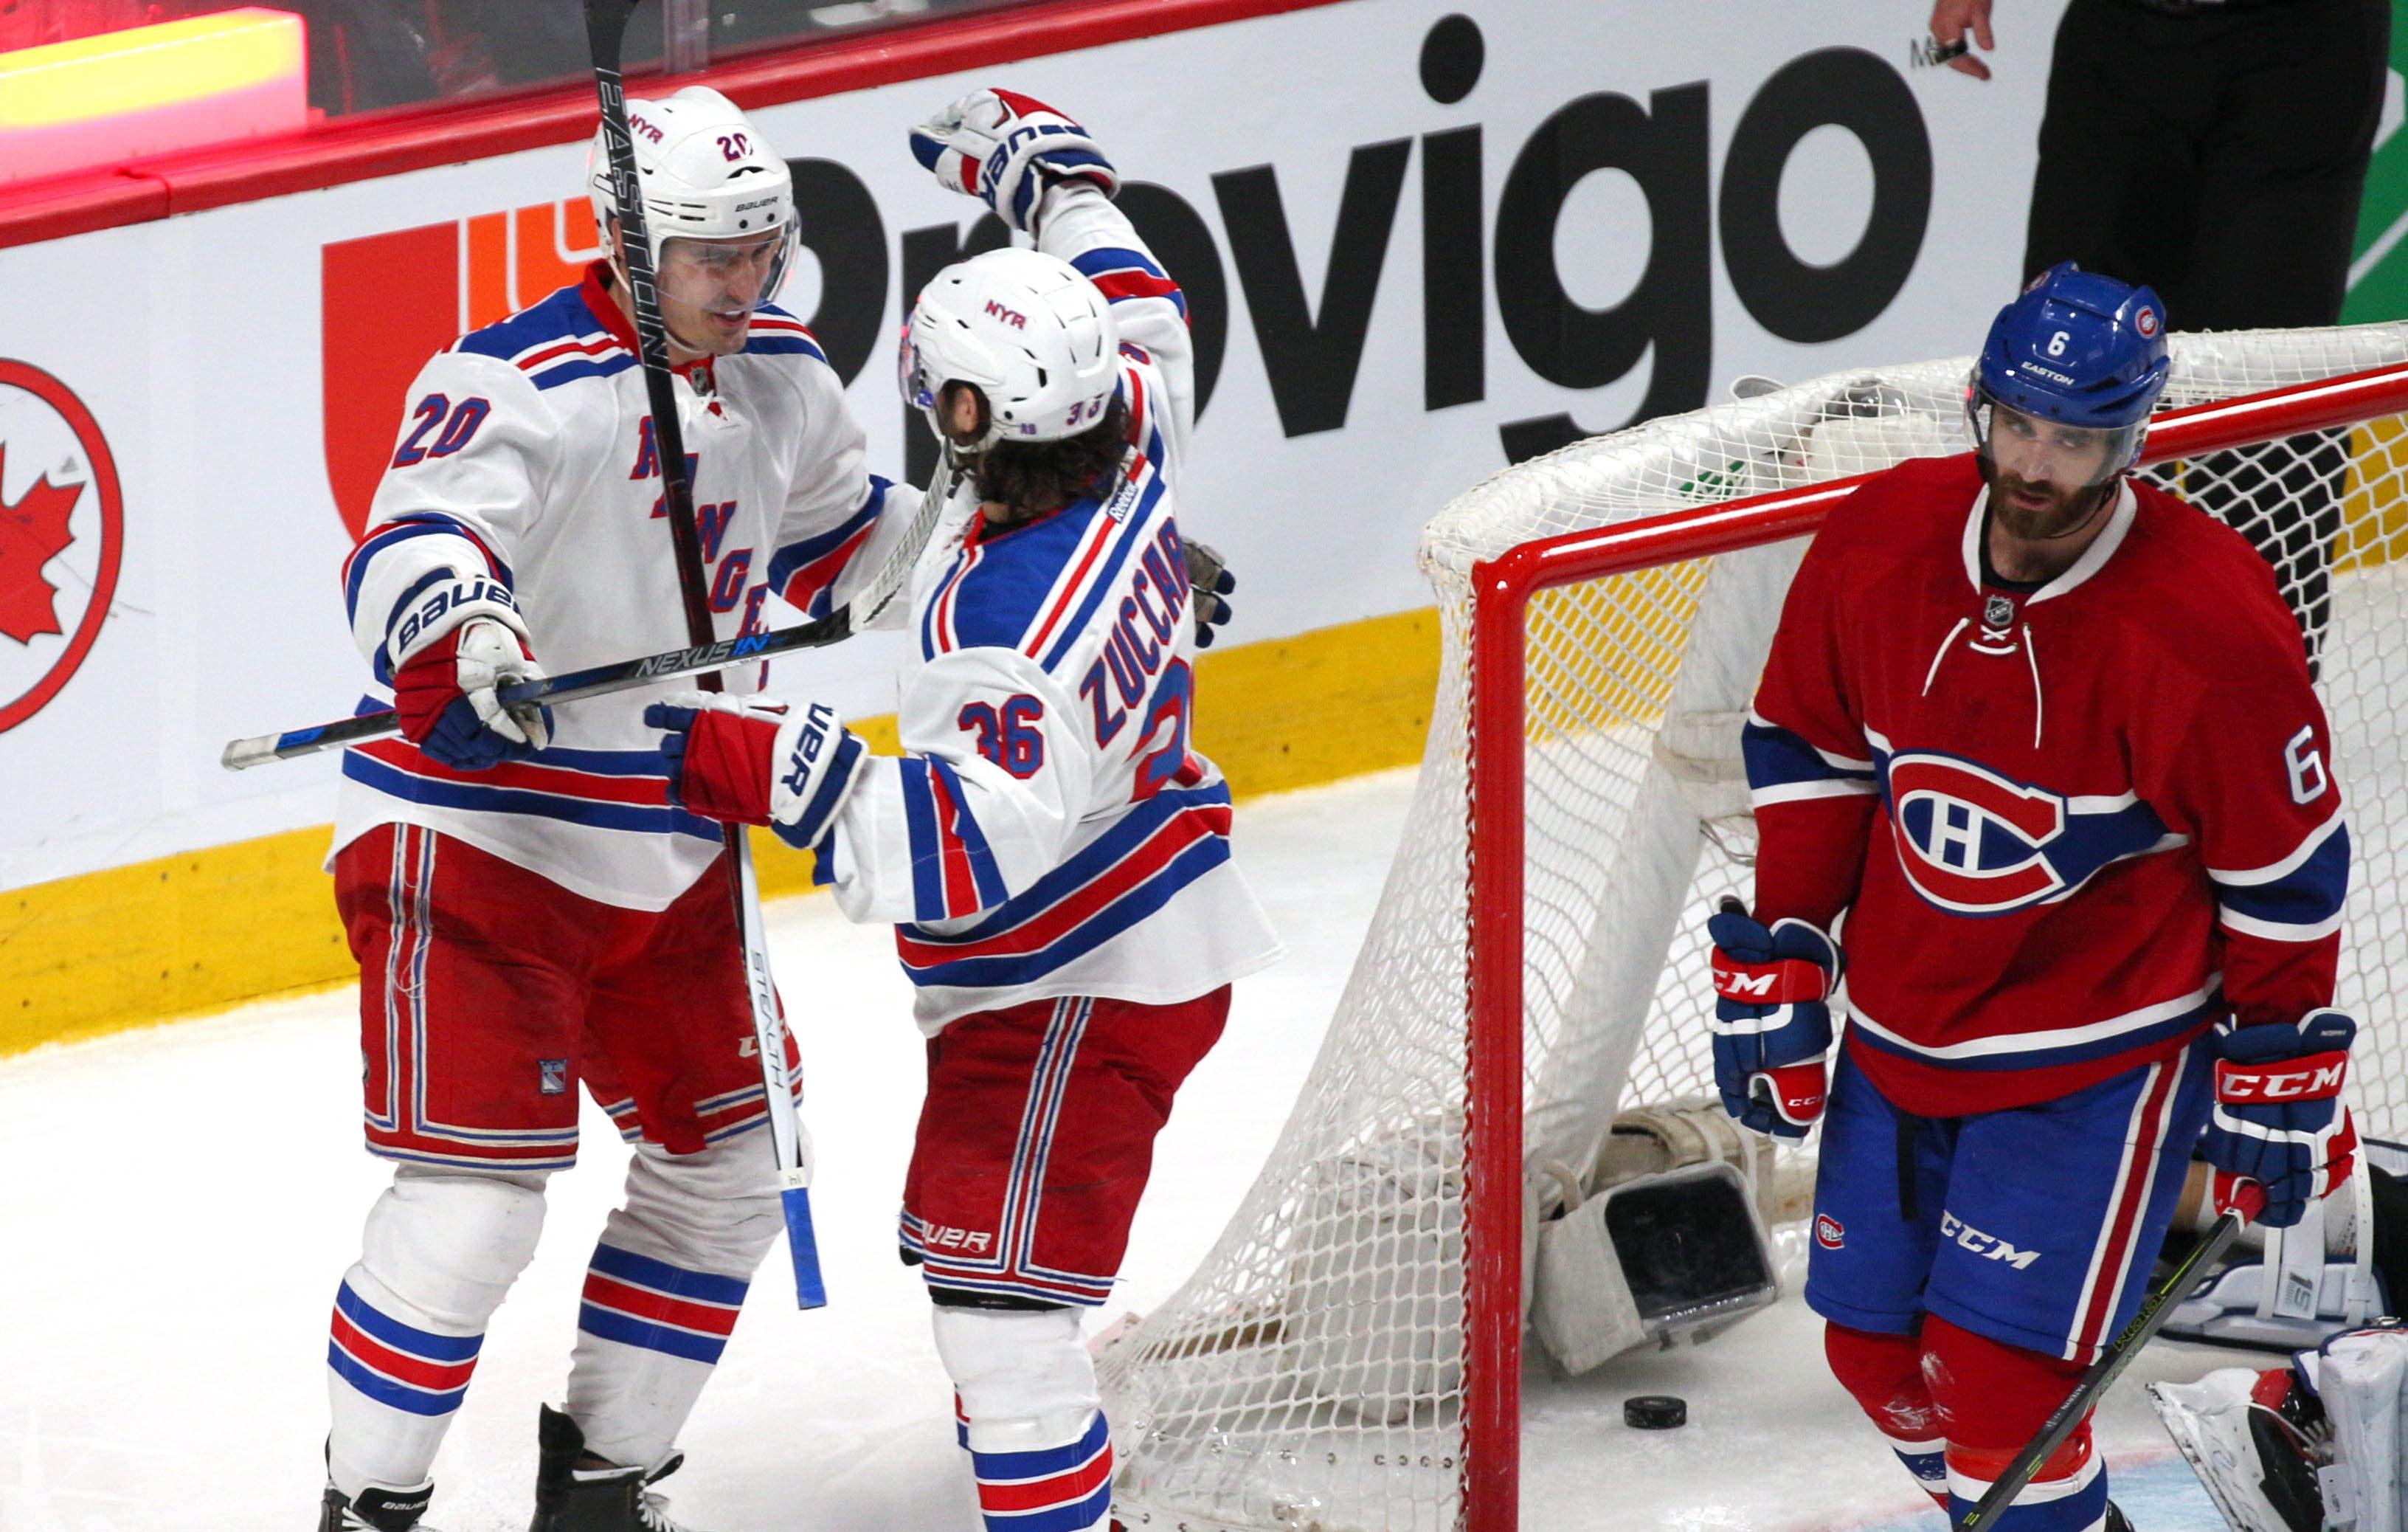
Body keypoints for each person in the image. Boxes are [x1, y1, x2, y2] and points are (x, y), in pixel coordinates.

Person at [648, 89, 1283, 1532]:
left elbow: (947, 857)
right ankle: (1035, 1443)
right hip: (1133, 938)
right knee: (987, 1276)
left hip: (1074, 982)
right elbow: (1140, 290)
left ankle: (1049, 1474)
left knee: (1000, 1319)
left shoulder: (1008, 632)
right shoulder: (1134, 424)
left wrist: (759, 758)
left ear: (964, 414)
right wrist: (1044, 169)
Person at [318, 85, 924, 1532]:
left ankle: (599, 1490)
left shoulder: (782, 373)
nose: (746, 282)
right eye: (712, 256)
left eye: (762, 249)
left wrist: (1060, 532)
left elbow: (864, 555)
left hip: (662, 847)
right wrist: (466, 627)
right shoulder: (514, 378)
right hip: (480, 845)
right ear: (628, 241)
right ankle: (365, 1510)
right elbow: (413, 533)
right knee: (475, 1214)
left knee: (729, 1169)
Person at [1708, 264, 2359, 1531]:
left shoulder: (2202, 624)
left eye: (2073, 439)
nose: (2036, 464)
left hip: (2096, 1055)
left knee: (2003, 1394)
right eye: (2016, 425)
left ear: (2130, 438)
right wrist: (1788, 950)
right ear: (1979, 406)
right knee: (1871, 1358)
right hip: (1904, 1031)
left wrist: (2272, 1069)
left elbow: (2282, 867)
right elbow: (1809, 742)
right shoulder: (1881, 537)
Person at [1927, 0, 2391, 677]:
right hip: (2124, 33)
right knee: (2060, 363)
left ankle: (2251, 699)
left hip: (2306, 44)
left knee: (2260, 392)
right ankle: (2031, 658)